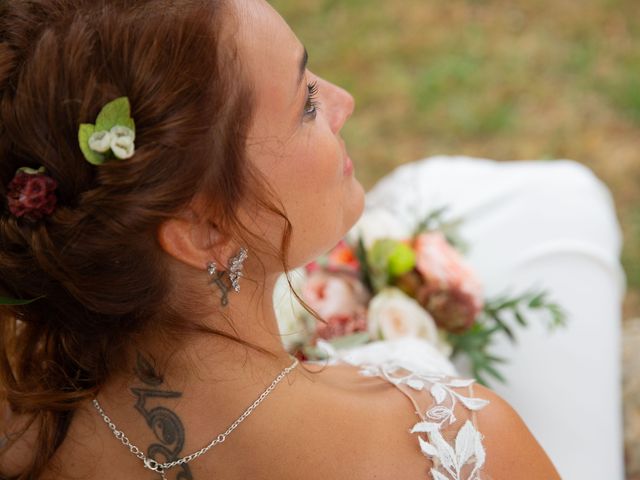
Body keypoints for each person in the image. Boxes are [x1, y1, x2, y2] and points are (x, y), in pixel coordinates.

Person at [0, 0, 560, 478]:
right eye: (307, 104)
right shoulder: (466, 443)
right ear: (205, 231)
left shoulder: (19, 427)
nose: (343, 101)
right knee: (565, 199)